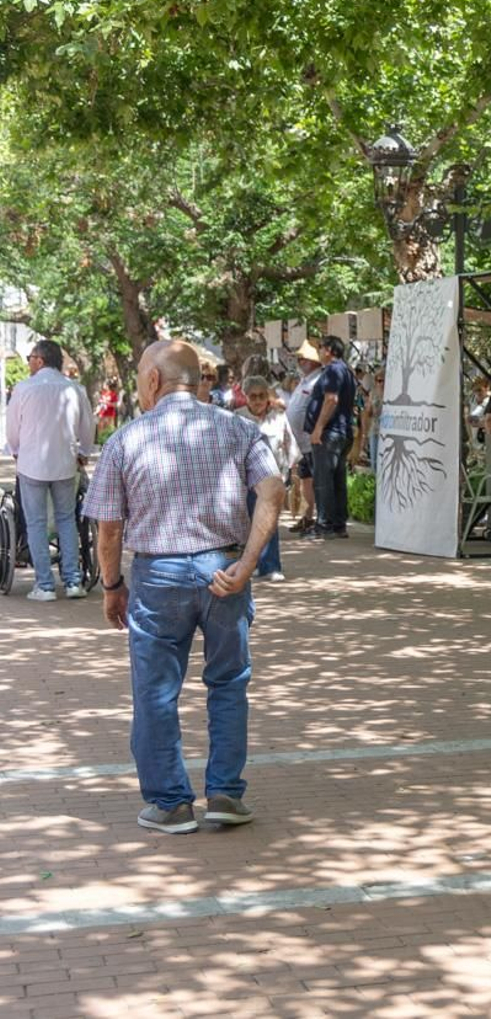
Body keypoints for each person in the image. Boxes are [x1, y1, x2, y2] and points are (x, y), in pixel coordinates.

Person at [84, 340, 285, 834]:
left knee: (155, 691)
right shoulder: (238, 429)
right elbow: (274, 491)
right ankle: (223, 794)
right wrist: (249, 563)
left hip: (159, 576)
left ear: (154, 379)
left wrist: (112, 585)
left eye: (137, 377)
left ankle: (171, 803)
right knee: (228, 684)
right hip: (223, 570)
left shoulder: (126, 440)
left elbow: (107, 528)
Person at [4, 339, 95, 601]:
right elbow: (87, 425)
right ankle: (72, 581)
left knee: (36, 523)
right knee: (67, 520)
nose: (28, 362)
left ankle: (44, 585)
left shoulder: (24, 388)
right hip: (65, 463)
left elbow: (12, 430)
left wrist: (17, 451)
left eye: (30, 357)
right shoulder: (74, 389)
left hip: (32, 464)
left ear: (40, 360)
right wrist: (83, 453)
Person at [235, 376, 297, 583]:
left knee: (268, 522)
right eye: (253, 396)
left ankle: (270, 566)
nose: (258, 400)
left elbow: (290, 445)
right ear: (246, 397)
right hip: (246, 480)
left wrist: (290, 472)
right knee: (249, 523)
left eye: (262, 395)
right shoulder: (237, 418)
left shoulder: (279, 417)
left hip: (272, 478)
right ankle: (251, 563)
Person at [304, 335, 357, 540]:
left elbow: (331, 400)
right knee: (336, 479)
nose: (318, 353)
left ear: (328, 350)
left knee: (324, 479)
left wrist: (318, 428)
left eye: (320, 349)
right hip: (341, 431)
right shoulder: (346, 371)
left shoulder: (334, 370)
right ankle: (338, 523)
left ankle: (325, 524)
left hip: (330, 433)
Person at [284, 341, 322, 532]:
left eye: (302, 359)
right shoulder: (304, 380)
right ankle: (308, 515)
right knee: (306, 478)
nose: (299, 362)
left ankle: (319, 517)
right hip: (300, 441)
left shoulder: (318, 380)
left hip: (311, 439)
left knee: (316, 479)